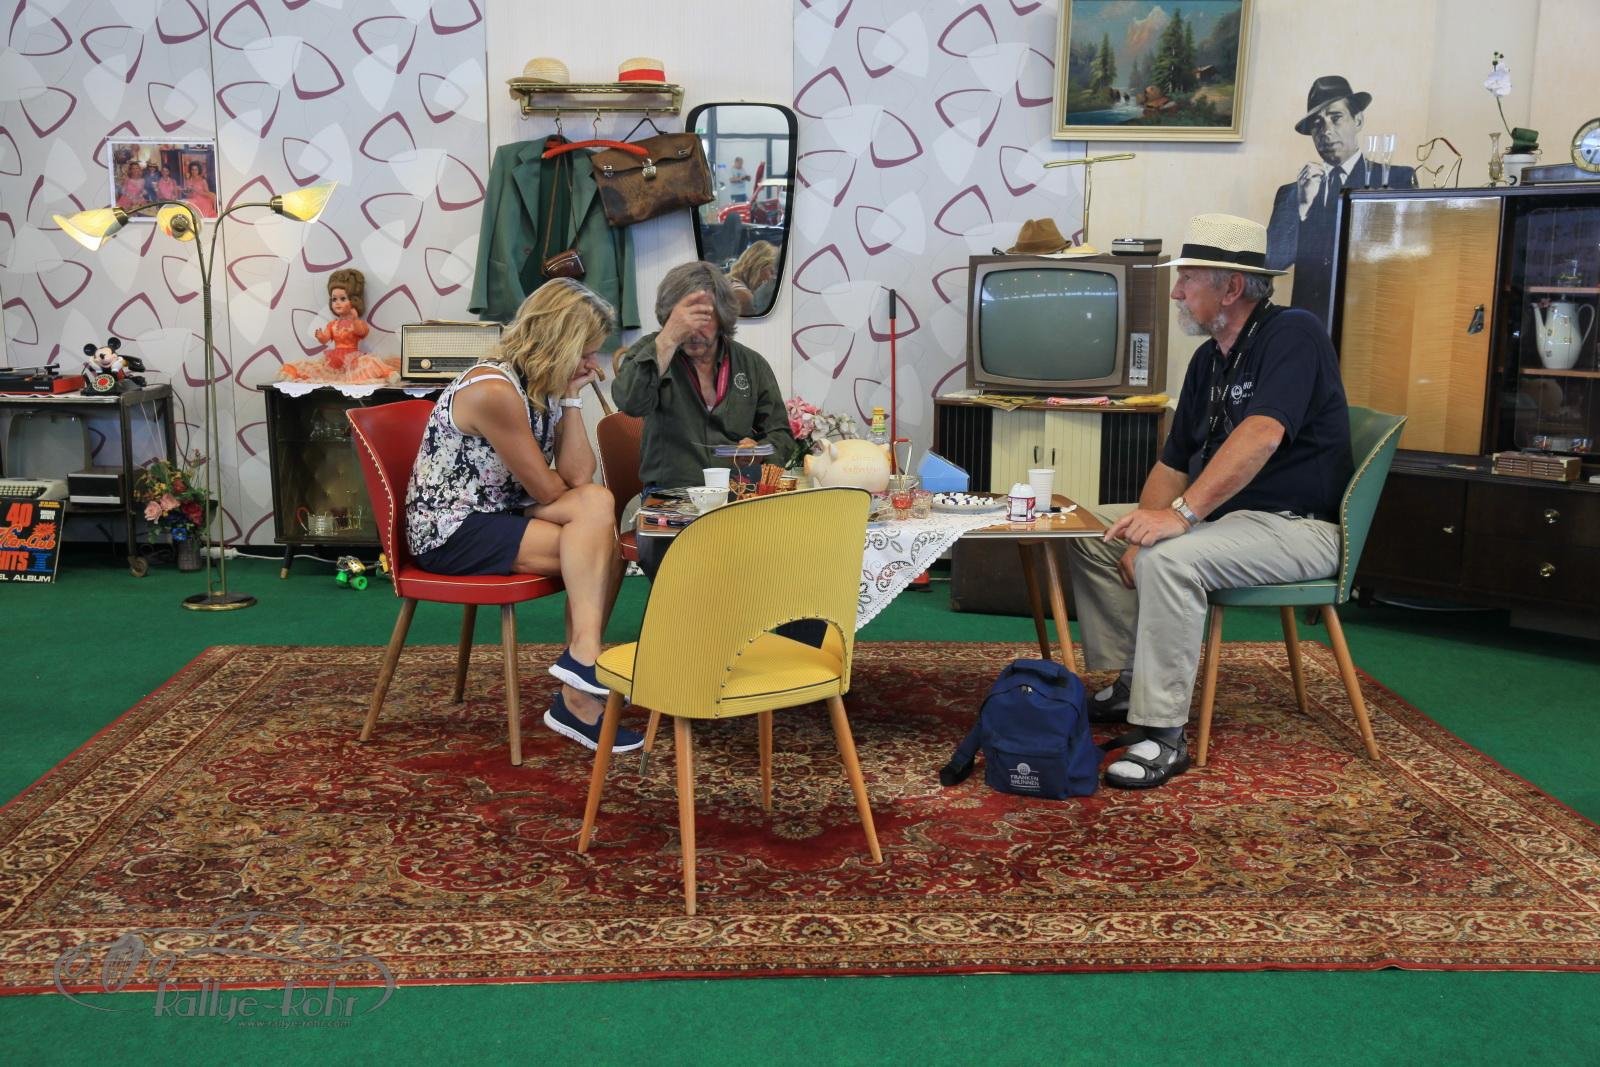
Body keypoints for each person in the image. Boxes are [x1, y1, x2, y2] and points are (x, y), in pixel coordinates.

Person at [1066, 213, 1352, 790]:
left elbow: (1262, 434)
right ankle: (1133, 683)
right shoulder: (1209, 358)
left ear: (1232, 287)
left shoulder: (1293, 334)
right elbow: (1173, 462)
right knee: (1093, 534)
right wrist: (1145, 525)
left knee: (1168, 560)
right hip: (1227, 521)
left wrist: (1179, 518)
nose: (1176, 292)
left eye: (1187, 278)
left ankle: (1162, 733)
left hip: (1296, 527)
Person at [405, 277, 639, 753]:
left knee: (597, 503)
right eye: (585, 352)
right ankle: (580, 686)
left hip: (502, 509)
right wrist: (569, 498)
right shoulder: (494, 390)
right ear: (559, 343)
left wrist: (571, 398)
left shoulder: (543, 384)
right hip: (452, 528)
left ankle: (581, 665)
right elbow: (549, 487)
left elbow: (578, 475)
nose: (592, 363)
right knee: (602, 547)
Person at [1266, 76, 1415, 327]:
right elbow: (1273, 262)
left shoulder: (1395, 179)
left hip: (1370, 324)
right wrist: (1303, 208)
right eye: (1317, 123)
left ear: (1358, 120)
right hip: (1308, 329)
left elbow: (1406, 261)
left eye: (1335, 118)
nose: (1326, 131)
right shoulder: (1292, 193)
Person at [281, 268, 401, 383]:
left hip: (353, 360)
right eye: (334, 299)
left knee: (370, 362)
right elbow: (326, 339)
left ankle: (388, 374)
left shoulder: (356, 323)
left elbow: (361, 332)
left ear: (353, 301)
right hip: (335, 361)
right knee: (316, 368)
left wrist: (355, 319)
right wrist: (321, 337)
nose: (337, 303)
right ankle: (292, 373)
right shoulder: (333, 324)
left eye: (343, 299)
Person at [729, 240, 778, 314]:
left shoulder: (727, 281)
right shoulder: (743, 296)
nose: (772, 278)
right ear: (758, 265)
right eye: (771, 272)